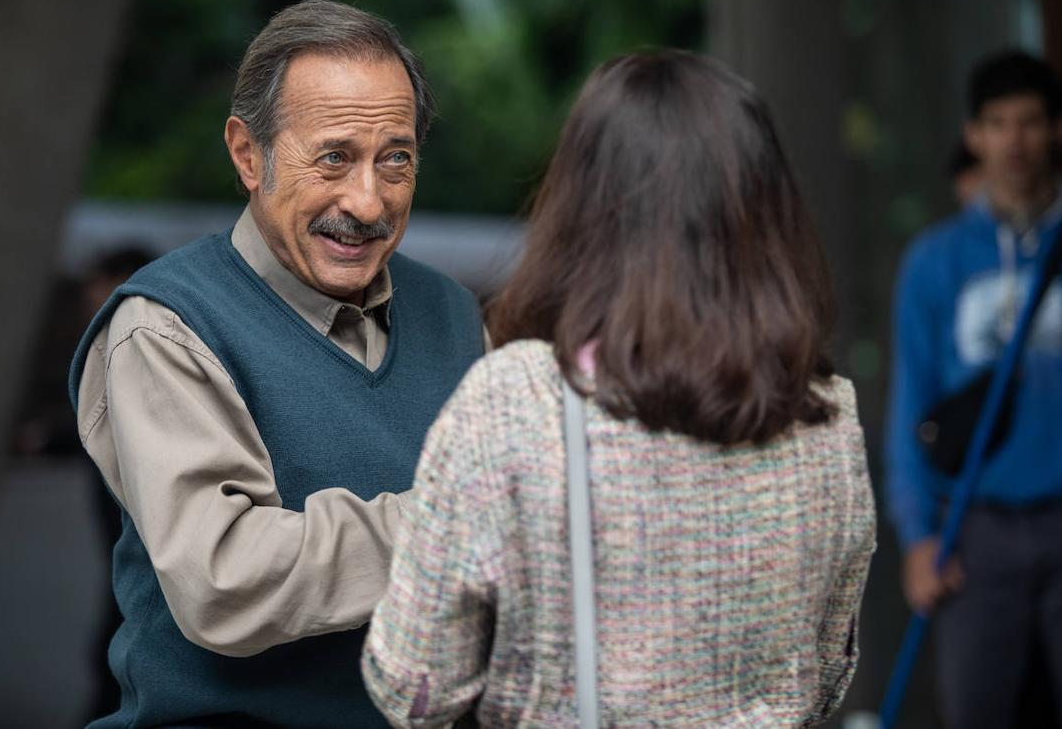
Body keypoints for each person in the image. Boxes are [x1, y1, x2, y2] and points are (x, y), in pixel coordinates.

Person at [362, 50, 876, 727]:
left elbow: (416, 686)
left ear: (584, 203)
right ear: (767, 211)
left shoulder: (516, 400)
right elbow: (829, 671)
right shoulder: (830, 416)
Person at [68, 0, 488, 728]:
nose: (367, 200)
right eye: (334, 157)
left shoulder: (455, 314)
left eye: (396, 158)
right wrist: (464, 525)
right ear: (247, 154)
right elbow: (224, 579)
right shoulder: (166, 326)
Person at [884, 50, 1062, 728]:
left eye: (1029, 123)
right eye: (996, 124)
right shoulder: (936, 261)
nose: (1014, 142)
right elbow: (912, 404)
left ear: (1056, 130)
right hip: (975, 530)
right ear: (974, 135)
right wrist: (918, 537)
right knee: (975, 710)